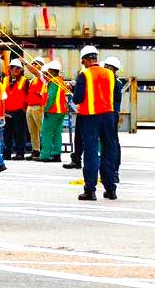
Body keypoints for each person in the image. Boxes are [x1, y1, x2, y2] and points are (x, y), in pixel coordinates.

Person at [71, 45, 116, 201]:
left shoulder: (84, 74)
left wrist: (74, 90)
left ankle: (90, 190)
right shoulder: (110, 74)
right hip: (108, 116)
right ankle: (111, 189)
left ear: (84, 60)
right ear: (96, 58)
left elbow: (78, 98)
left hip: (90, 117)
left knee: (91, 153)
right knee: (109, 151)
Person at [39, 58, 69, 162]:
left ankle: (45, 155)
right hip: (61, 111)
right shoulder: (60, 81)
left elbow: (51, 97)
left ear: (51, 71)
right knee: (57, 133)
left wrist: (46, 109)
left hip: (53, 111)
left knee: (46, 132)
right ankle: (56, 154)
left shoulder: (53, 81)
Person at [102, 56, 125, 182]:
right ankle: (110, 170)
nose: (104, 69)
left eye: (106, 67)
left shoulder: (116, 83)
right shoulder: (113, 81)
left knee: (113, 143)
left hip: (111, 115)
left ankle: (114, 171)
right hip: (107, 114)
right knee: (109, 143)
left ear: (112, 69)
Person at [1, 59, 29, 161]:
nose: (16, 70)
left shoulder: (25, 81)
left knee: (20, 133)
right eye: (14, 68)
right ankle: (7, 153)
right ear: (10, 69)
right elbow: (2, 95)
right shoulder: (4, 80)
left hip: (19, 111)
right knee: (7, 133)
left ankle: (20, 153)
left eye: (18, 68)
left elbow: (27, 96)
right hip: (7, 111)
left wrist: (25, 109)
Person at [25, 58, 46, 159]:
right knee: (32, 130)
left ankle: (45, 149)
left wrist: (25, 63)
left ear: (41, 66)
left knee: (42, 129)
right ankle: (36, 150)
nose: (33, 65)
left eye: (36, 64)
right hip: (31, 106)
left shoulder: (42, 77)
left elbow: (34, 71)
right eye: (33, 63)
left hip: (38, 106)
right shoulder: (33, 79)